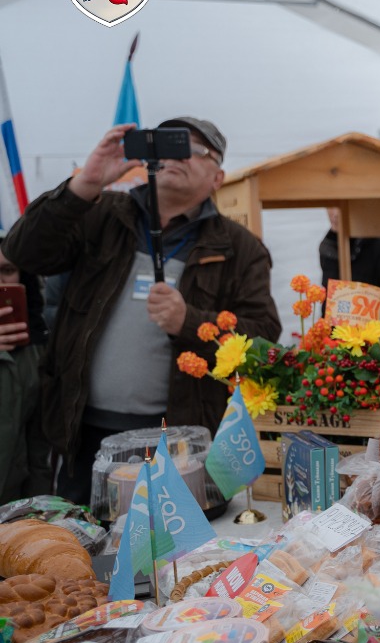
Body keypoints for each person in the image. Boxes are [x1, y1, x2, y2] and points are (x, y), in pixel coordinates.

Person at [1, 118, 282, 504]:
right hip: (80, 434)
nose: (176, 155)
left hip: (180, 443)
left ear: (217, 178)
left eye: (193, 149)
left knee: (171, 557)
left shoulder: (239, 248)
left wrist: (189, 322)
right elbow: (23, 252)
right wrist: (85, 183)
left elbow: (263, 340)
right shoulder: (101, 214)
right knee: (82, 549)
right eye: (168, 145)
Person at [0, 234, 53, 503]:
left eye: (7, 270)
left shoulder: (36, 350)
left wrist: (38, 510)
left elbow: (38, 445)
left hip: (11, 505)